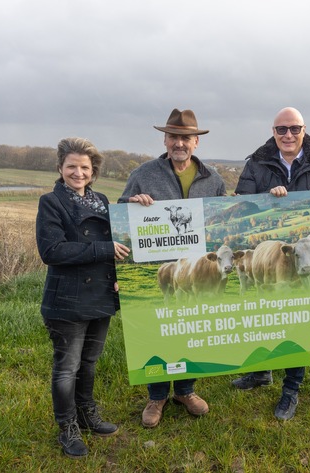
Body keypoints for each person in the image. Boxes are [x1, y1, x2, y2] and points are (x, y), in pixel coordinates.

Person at [231, 106, 310, 420]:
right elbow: (241, 204)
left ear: (304, 130)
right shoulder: (255, 165)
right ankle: (260, 372)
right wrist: (267, 200)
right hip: (271, 256)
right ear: (273, 132)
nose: (288, 135)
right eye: (282, 129)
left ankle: (291, 390)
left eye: (294, 129)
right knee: (262, 314)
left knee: (299, 320)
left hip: (305, 261)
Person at [118, 108, 226, 428]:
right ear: (165, 140)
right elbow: (122, 215)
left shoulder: (214, 180)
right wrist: (132, 203)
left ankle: (186, 390)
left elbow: (219, 222)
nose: (179, 143)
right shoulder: (144, 174)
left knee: (190, 326)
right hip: (159, 266)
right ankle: (156, 395)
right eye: (173, 137)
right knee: (158, 328)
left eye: (185, 138)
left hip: (194, 269)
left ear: (196, 142)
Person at [36, 137, 130, 458]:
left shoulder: (102, 200)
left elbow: (120, 242)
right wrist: (102, 249)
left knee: (89, 363)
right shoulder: (51, 202)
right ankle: (68, 427)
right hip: (67, 300)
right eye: (72, 166)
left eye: (85, 167)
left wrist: (121, 278)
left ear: (94, 172)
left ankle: (87, 414)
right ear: (61, 167)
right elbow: (52, 251)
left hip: (100, 296)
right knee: (67, 367)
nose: (78, 172)